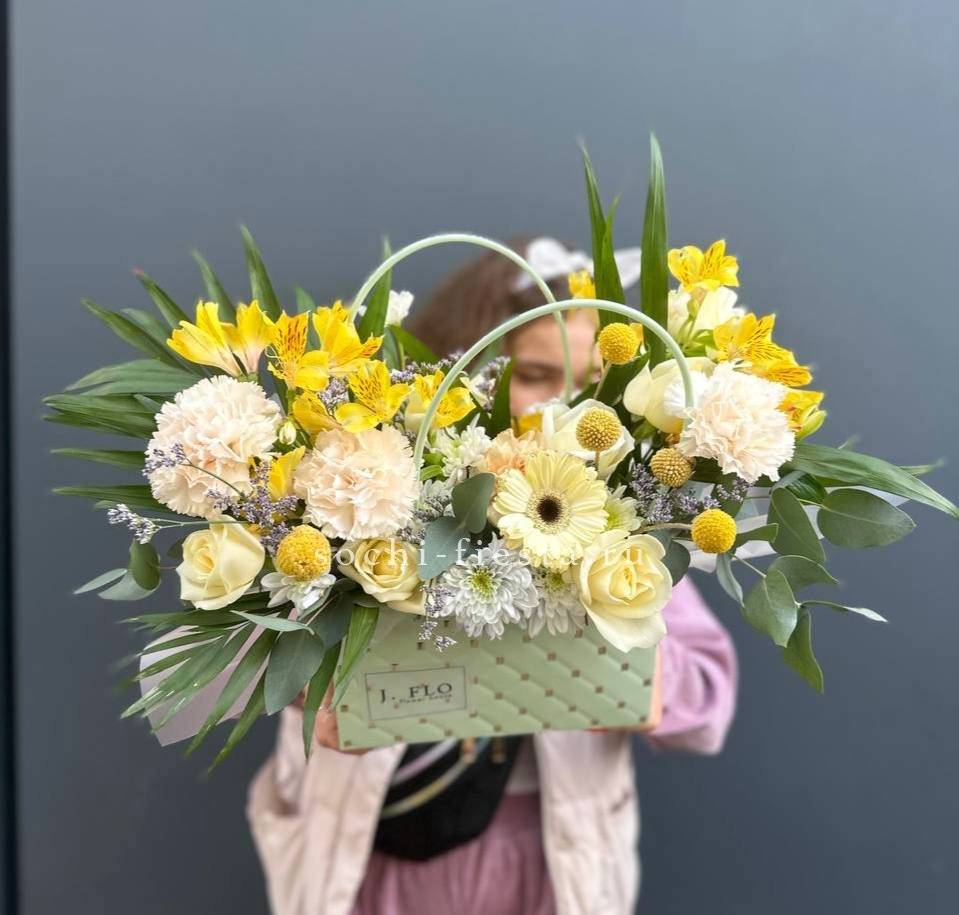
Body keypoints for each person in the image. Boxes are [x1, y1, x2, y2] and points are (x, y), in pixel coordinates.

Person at [247, 237, 739, 915]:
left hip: (550, 861)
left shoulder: (623, 531)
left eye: (595, 382)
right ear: (459, 368)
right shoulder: (360, 497)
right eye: (535, 373)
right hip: (368, 855)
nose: (567, 405)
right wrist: (307, 686)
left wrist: (630, 677)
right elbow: (231, 661)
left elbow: (708, 705)